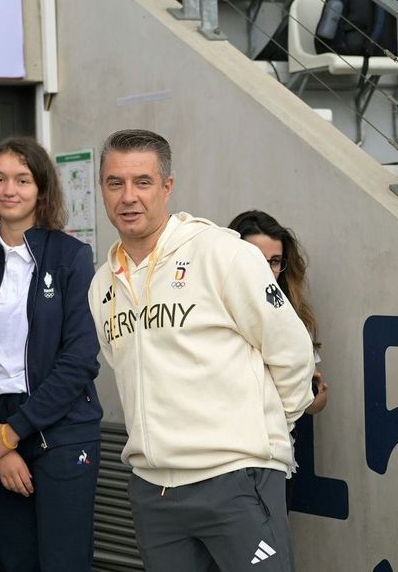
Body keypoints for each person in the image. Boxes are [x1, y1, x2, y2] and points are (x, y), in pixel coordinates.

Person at [87, 129, 314, 571]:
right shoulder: (103, 284)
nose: (128, 196)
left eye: (143, 182)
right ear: (102, 189)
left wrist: (256, 434)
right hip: (154, 491)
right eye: (115, 183)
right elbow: (129, 371)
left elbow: (293, 354)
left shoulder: (223, 254)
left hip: (235, 480)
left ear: (167, 186)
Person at [0, 138, 102, 572]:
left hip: (62, 427)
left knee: (63, 563)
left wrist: (14, 432)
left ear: (42, 189)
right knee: (15, 562)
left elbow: (81, 359)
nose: (8, 189)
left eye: (22, 179)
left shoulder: (72, 257)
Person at [228, 210, 330, 509]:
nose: (268, 269)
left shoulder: (291, 314)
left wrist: (315, 392)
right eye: (257, 259)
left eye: (275, 261)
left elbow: (313, 405)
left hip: (275, 460)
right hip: (223, 461)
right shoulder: (211, 312)